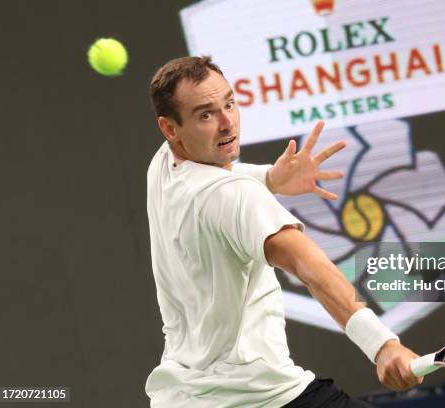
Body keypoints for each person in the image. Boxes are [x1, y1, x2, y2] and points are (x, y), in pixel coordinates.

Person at [145, 56, 423, 408]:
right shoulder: (236, 197)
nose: (228, 123)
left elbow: (212, 186)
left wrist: (270, 179)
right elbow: (311, 268)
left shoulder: (163, 166)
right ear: (171, 128)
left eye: (229, 103)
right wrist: (382, 345)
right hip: (262, 397)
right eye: (206, 115)